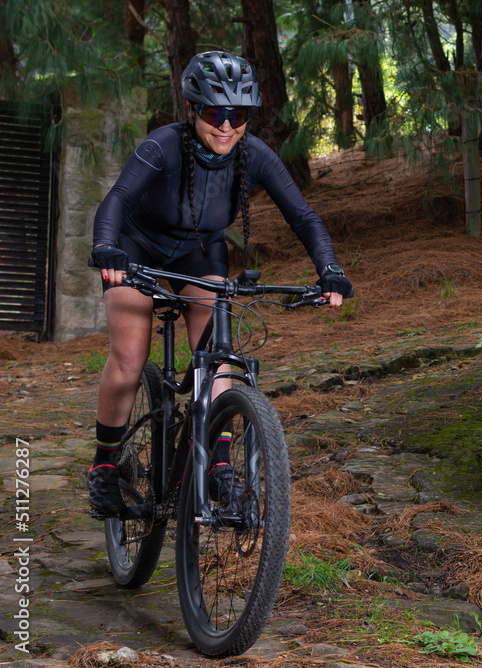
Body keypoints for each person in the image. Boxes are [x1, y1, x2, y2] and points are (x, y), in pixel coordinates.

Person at [87, 51, 353, 517]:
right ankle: (105, 466)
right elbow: (117, 200)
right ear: (192, 110)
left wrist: (329, 270)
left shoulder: (255, 156)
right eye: (215, 112)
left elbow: (304, 218)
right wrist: (107, 249)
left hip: (199, 250)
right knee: (130, 357)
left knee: (218, 354)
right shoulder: (161, 146)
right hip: (137, 248)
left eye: (238, 115)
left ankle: (218, 465)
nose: (226, 126)